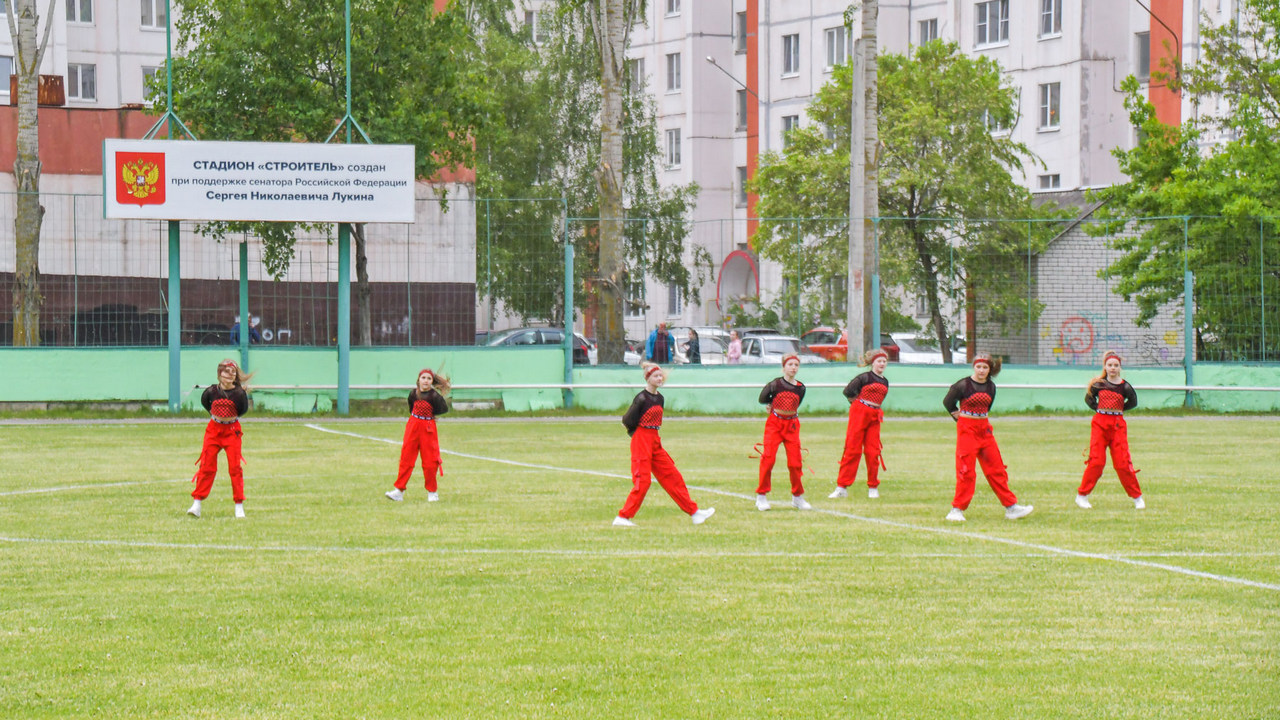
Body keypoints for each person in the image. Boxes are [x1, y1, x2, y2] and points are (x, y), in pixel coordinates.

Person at [614, 362, 716, 527]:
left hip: (655, 440)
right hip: (642, 440)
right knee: (643, 481)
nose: (659, 378)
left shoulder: (660, 398)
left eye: (661, 375)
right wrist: (637, 436)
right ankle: (623, 517)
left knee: (672, 475)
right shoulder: (641, 398)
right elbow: (627, 420)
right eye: (656, 376)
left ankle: (694, 512)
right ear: (648, 378)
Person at [941, 354, 1034, 522]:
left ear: (989, 369)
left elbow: (988, 406)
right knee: (966, 470)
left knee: (996, 469)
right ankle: (956, 509)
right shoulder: (963, 384)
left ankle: (1011, 507)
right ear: (973, 367)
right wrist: (957, 415)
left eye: (985, 367)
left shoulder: (991, 386)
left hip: (984, 430)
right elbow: (948, 401)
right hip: (967, 430)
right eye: (978, 367)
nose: (981, 370)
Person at [1076, 351, 1144, 510]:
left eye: (1116, 365)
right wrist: (1100, 409)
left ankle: (1137, 497)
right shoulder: (1098, 384)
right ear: (1105, 366)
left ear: (1120, 367)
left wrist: (1119, 410)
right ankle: (1082, 495)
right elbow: (1089, 399)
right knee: (1097, 461)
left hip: (1117, 426)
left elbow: (1133, 402)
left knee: (1122, 463)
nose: (1113, 368)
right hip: (1100, 424)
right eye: (1110, 365)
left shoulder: (1125, 386)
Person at [188, 358, 253, 519]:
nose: (228, 375)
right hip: (214, 431)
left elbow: (242, 410)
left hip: (232, 431)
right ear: (219, 374)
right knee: (207, 466)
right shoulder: (211, 391)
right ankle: (197, 503)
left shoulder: (239, 394)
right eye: (225, 372)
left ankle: (239, 505)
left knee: (235, 468)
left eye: (232, 372)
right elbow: (206, 403)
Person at [830, 348, 890, 500]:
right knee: (852, 449)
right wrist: (857, 405)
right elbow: (848, 391)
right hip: (860, 412)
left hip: (874, 416)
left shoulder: (885, 381)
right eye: (879, 361)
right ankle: (842, 487)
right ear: (872, 363)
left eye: (884, 361)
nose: (882, 364)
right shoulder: (865, 377)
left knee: (873, 451)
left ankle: (873, 486)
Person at [385, 368, 451, 502]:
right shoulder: (413, 394)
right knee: (406, 458)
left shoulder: (434, 396)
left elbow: (442, 409)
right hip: (413, 427)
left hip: (428, 429)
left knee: (430, 461)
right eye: (423, 378)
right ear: (418, 380)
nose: (425, 381)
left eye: (428, 379)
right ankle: (399, 491)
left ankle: (432, 492)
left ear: (432, 381)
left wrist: (429, 417)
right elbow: (411, 407)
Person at [755, 353, 811, 511]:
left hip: (791, 425)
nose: (793, 368)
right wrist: (771, 404)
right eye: (790, 365)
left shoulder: (801, 388)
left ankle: (798, 497)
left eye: (796, 365)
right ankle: (761, 496)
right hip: (775, 424)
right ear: (783, 367)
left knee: (795, 462)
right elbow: (763, 398)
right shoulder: (775, 384)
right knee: (769, 459)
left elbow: (796, 403)